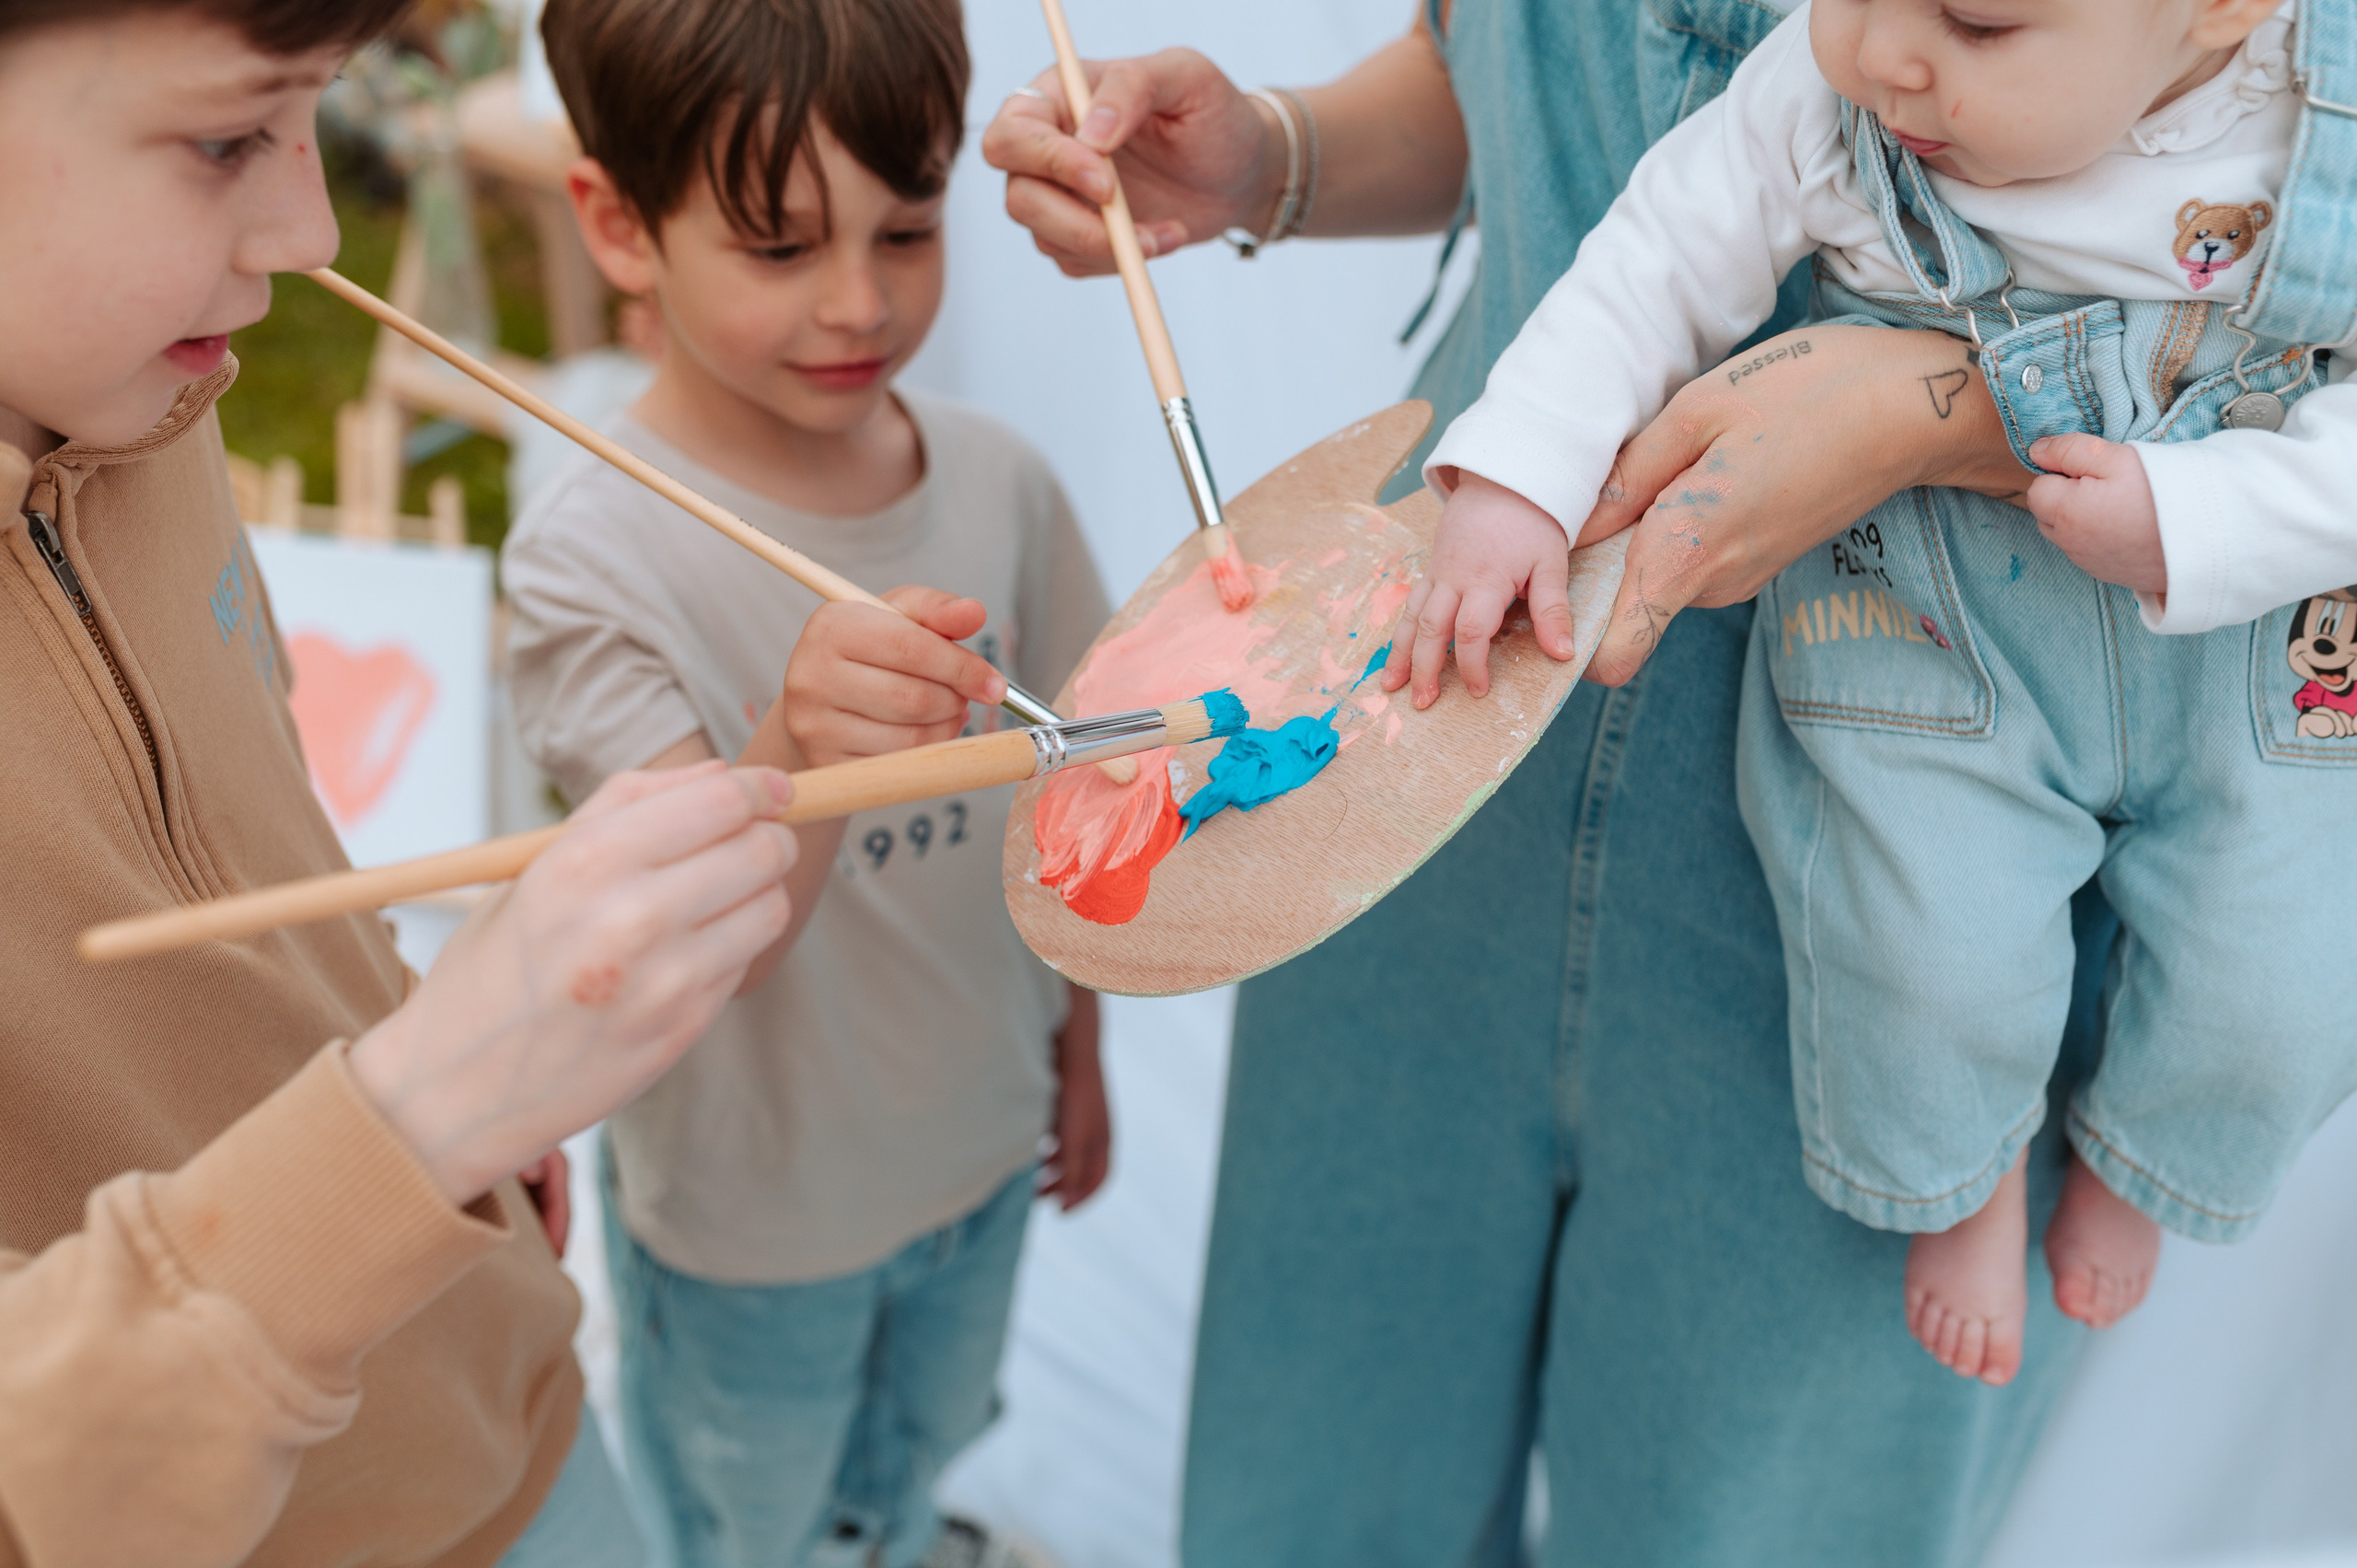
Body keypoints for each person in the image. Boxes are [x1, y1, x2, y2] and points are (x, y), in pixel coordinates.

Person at [982, 7, 2127, 1567]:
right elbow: (1519, 75)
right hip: (1397, 746)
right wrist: (1271, 157)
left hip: (1917, 851)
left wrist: (1935, 410)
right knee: (1314, 1507)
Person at [1400, 0, 2357, 1387]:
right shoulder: (1834, 91)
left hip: (2256, 635)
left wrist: (2210, 517)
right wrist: (1520, 476)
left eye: (1976, 19)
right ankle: (1957, 1179)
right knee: (1918, 950)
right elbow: (1659, 253)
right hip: (1935, 614)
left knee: (2286, 990)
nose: (1882, 53)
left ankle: (2152, 1159)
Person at [0, 1, 806, 1563]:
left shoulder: (134, 380)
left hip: (503, 1414)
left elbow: (242, 812)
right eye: (229, 136)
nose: (308, 231)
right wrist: (418, 1113)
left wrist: (408, 1038)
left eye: (321, 112)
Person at [504, 1, 1113, 1563]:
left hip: (980, 1159)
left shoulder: (999, 485)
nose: (859, 301)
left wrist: (1083, 1046)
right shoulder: (591, 563)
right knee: (752, 1531)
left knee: (915, 1475)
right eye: (778, 249)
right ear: (618, 226)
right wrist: (797, 756)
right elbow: (681, 958)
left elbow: (1087, 792)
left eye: (907, 229)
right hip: (751, 1232)